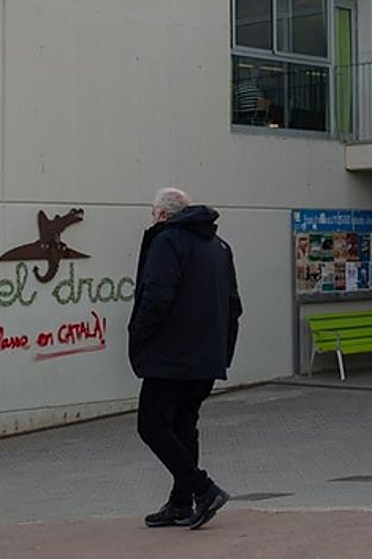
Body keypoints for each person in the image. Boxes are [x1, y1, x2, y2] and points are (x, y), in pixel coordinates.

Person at [128, 187, 242, 530]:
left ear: (164, 215)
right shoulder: (219, 247)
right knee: (183, 425)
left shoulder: (168, 241)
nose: (152, 220)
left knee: (151, 425)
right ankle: (180, 502)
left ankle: (203, 490)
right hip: (205, 356)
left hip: (171, 356)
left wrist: (139, 334)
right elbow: (234, 305)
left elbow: (157, 295)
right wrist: (222, 350)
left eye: (153, 214)